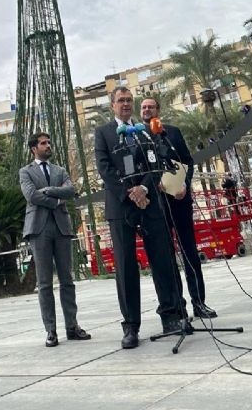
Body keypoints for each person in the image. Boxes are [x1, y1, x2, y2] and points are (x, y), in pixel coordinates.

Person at [95, 86, 188, 349]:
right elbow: (105, 168)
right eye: (121, 101)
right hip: (121, 206)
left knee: (162, 259)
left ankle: (170, 316)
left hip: (150, 202)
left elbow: (156, 163)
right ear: (112, 105)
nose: (126, 104)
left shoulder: (145, 131)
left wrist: (145, 189)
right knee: (125, 267)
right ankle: (131, 326)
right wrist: (130, 194)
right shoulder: (103, 133)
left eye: (129, 100)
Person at [140, 97, 217, 320]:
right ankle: (177, 306)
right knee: (166, 257)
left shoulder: (171, 132)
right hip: (156, 206)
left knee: (190, 253)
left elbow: (187, 161)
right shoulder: (136, 137)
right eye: (143, 107)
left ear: (158, 110)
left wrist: (184, 183)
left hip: (179, 200)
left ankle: (199, 303)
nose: (147, 110)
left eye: (151, 107)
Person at [19, 132, 91, 347]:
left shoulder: (59, 170)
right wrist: (56, 200)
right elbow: (31, 195)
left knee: (67, 280)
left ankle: (72, 326)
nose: (48, 146)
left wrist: (50, 191)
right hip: (39, 229)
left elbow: (71, 190)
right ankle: (50, 331)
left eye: (49, 142)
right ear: (34, 148)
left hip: (61, 227)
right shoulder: (25, 172)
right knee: (44, 283)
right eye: (43, 143)